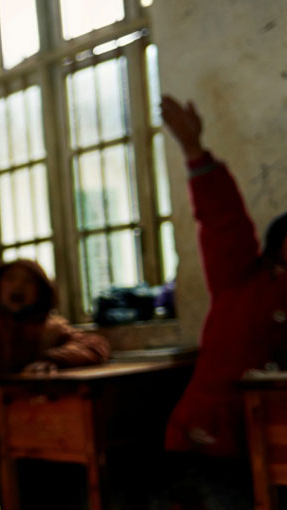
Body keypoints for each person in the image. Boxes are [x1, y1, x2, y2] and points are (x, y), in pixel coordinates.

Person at [0, 177, 110, 485]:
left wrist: (55, 357)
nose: (18, 287)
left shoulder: (47, 327)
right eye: (10, 279)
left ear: (41, 292)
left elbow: (95, 345)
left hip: (7, 426)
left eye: (28, 282)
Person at [153, 95, 284, 507]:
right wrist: (195, 151)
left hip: (266, 447)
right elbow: (223, 218)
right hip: (204, 439)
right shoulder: (242, 277)